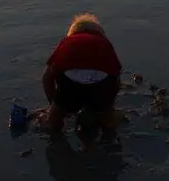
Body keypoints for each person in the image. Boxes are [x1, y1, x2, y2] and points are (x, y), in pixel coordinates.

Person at [42, 13, 122, 141]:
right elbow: (116, 78)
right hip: (103, 82)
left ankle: (58, 138)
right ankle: (106, 124)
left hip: (70, 81)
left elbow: (46, 78)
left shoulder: (68, 42)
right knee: (108, 122)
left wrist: (55, 104)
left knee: (52, 124)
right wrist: (108, 105)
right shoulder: (104, 42)